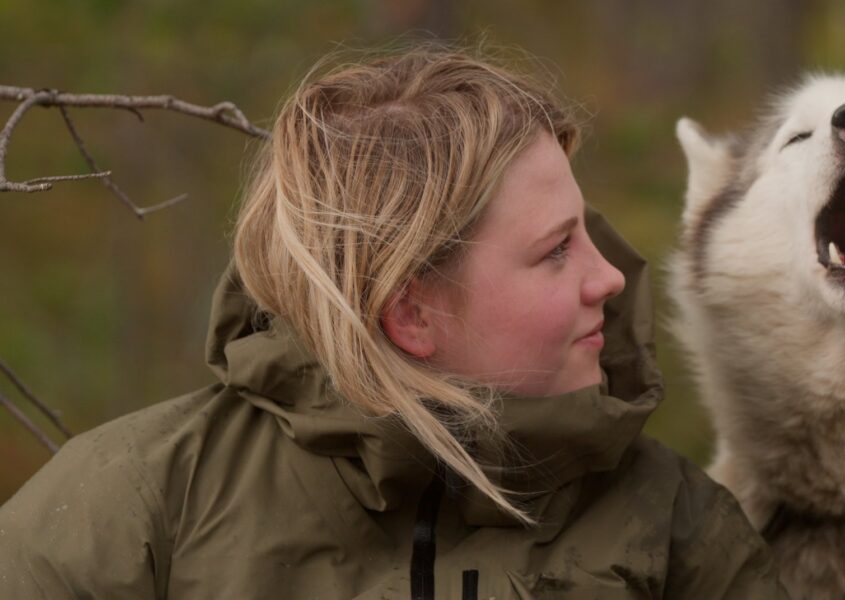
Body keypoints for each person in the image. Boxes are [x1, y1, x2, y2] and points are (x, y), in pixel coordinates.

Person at [0, 46, 788, 599]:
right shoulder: (133, 514)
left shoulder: (677, 530)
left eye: (587, 230)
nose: (610, 277)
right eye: (555, 251)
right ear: (411, 313)